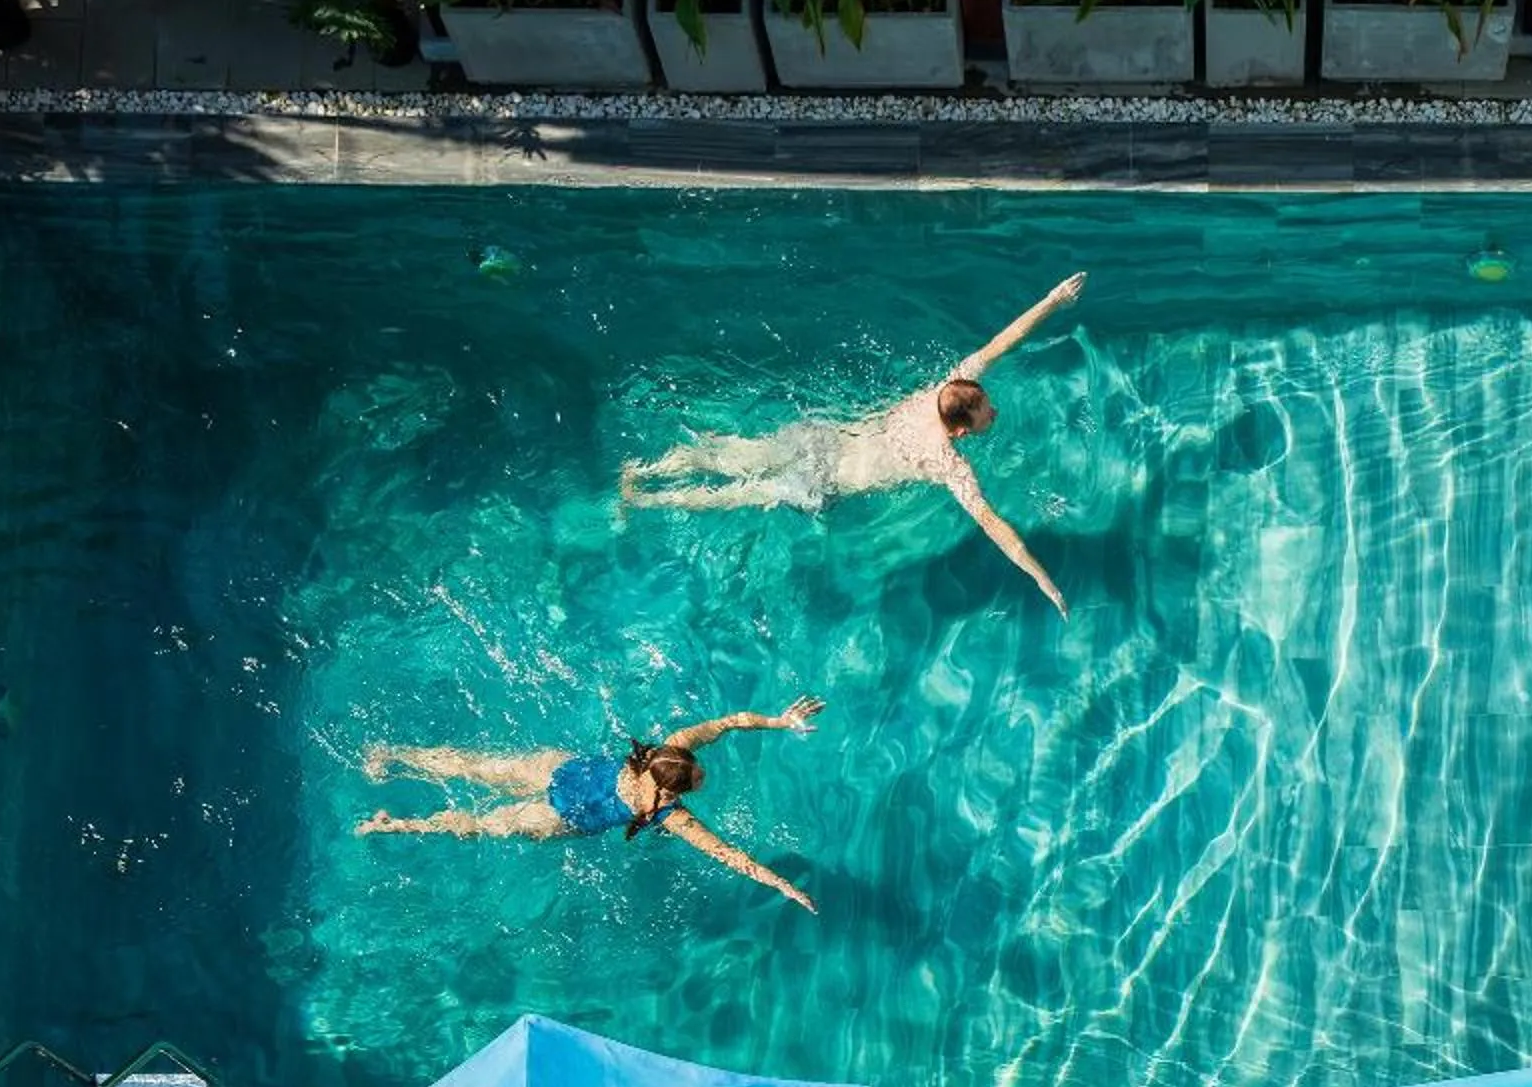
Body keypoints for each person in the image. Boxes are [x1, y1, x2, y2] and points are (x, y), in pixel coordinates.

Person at [619, 273, 1087, 616]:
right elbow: (991, 524)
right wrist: (1040, 576)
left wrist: (1051, 300)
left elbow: (1000, 342)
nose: (995, 411)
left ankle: (645, 470)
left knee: (736, 453)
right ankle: (647, 499)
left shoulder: (946, 388)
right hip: (824, 481)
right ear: (961, 430)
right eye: (987, 412)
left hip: (820, 439)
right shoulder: (947, 462)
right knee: (737, 495)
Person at [356, 697, 826, 912]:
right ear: (672, 788)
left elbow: (729, 722)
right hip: (561, 816)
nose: (702, 774)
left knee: (471, 766)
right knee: (478, 824)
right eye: (696, 777)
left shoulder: (670, 747)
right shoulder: (670, 815)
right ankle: (390, 825)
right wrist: (782, 885)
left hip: (559, 771)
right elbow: (729, 855)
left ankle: (390, 756)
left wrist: (780, 722)